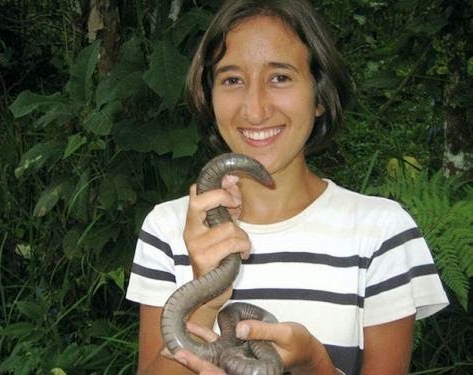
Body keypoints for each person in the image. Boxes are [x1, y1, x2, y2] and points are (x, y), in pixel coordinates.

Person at [125, 0, 449, 374]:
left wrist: (316, 365)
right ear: (209, 95)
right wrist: (205, 296)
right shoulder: (166, 229)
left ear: (320, 97)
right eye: (232, 79)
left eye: (279, 77)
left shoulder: (382, 232)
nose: (255, 109)